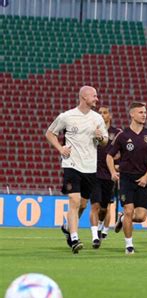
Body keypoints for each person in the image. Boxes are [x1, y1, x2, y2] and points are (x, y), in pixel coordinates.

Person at [45, 86, 108, 254]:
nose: (97, 99)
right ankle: (74, 238)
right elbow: (50, 133)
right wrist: (60, 148)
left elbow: (105, 142)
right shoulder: (66, 116)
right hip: (71, 165)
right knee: (73, 201)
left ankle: (67, 227)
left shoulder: (97, 119)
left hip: (90, 167)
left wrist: (100, 137)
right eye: (94, 96)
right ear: (84, 97)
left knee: (82, 204)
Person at [107, 102, 147, 254]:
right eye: (141, 112)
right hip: (126, 179)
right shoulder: (123, 136)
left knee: (141, 217)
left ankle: (122, 220)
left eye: (145, 112)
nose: (144, 115)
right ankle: (129, 245)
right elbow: (109, 156)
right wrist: (112, 172)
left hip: (143, 179)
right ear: (132, 114)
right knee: (129, 210)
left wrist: (146, 176)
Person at [89, 106, 121, 248]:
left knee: (104, 208)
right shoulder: (92, 131)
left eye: (105, 112)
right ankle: (95, 236)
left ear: (110, 116)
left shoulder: (117, 133)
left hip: (109, 175)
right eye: (100, 112)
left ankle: (102, 226)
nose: (102, 115)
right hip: (93, 172)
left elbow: (123, 152)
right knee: (95, 205)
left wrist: (118, 165)